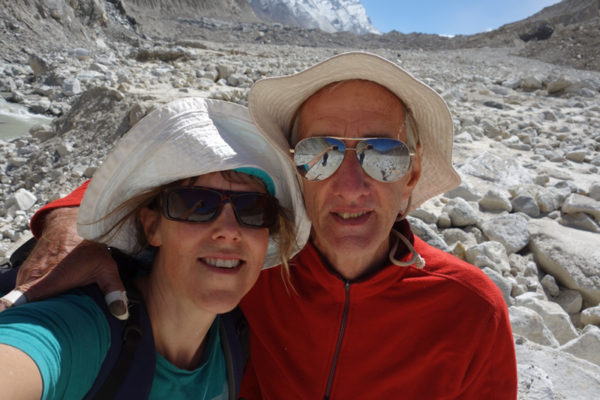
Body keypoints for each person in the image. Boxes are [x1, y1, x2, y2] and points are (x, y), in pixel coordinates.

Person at [2, 52, 517, 399]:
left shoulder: (470, 312)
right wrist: (72, 223)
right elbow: (170, 186)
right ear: (294, 173)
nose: (351, 185)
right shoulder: (255, 259)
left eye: (384, 155)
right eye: (322, 154)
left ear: (413, 176)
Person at [0, 97, 310, 399]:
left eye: (253, 210)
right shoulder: (81, 330)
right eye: (197, 205)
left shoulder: (238, 340)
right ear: (151, 226)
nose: (229, 232)